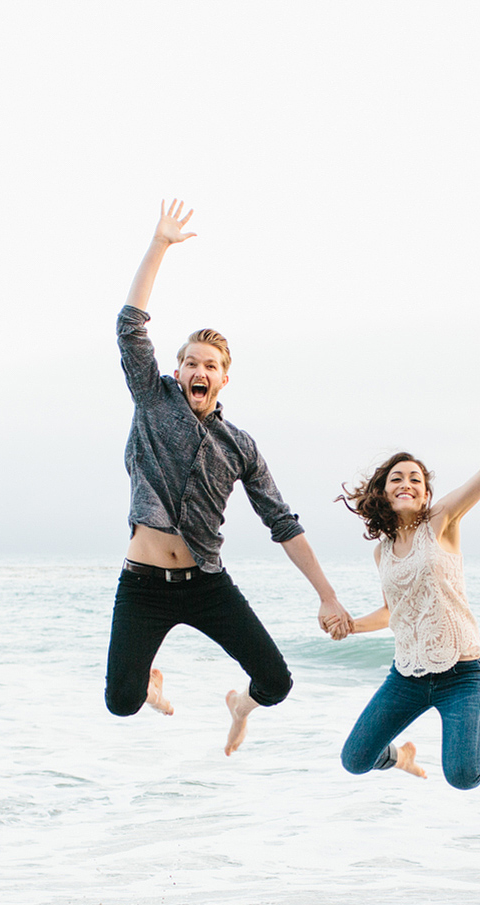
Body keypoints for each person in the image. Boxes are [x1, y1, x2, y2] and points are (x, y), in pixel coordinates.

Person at [108, 200, 353, 754]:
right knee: (120, 703)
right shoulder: (152, 400)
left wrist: (328, 597)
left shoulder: (239, 445)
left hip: (205, 583)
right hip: (143, 585)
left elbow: (282, 522)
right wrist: (160, 245)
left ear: (224, 378)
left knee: (278, 682)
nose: (200, 371)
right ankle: (149, 680)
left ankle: (238, 707)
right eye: (191, 362)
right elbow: (128, 328)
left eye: (211, 365)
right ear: (177, 372)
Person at [334, 372, 480, 788]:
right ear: (382, 490)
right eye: (397, 477)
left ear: (425, 495)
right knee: (355, 759)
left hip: (461, 675)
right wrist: (350, 625)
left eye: (416, 479)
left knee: (463, 776)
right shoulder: (381, 552)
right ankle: (401, 757)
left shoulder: (440, 522)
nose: (407, 483)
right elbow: (391, 612)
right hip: (407, 677)